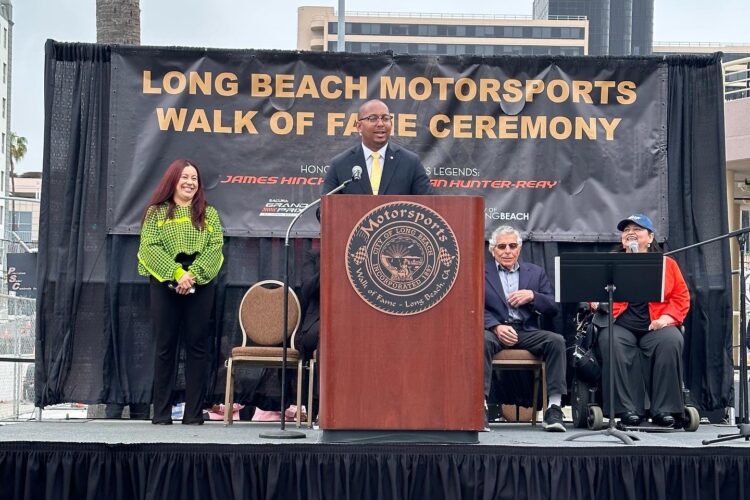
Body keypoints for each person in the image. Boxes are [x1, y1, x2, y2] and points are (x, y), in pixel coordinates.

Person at [137, 158, 224, 425]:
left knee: (197, 347)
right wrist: (177, 274)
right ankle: (161, 413)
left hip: (201, 282)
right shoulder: (156, 212)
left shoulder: (209, 213)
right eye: (184, 177)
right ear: (173, 180)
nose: (189, 182)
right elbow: (149, 248)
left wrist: (193, 275)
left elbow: (215, 247)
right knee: (165, 347)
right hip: (165, 281)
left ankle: (194, 415)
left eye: (194, 179)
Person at [596, 213, 690, 427]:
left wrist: (667, 318)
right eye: (626, 230)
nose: (631, 233)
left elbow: (681, 297)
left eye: (637, 230)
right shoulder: (611, 263)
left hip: (656, 324)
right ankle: (626, 410)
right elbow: (594, 293)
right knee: (611, 340)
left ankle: (664, 410)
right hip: (620, 323)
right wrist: (594, 301)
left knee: (671, 341)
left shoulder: (667, 264)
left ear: (650, 237)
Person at [483, 225, 567, 432]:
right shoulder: (480, 272)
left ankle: (554, 408)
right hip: (495, 331)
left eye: (512, 246)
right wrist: (495, 326)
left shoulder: (535, 273)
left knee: (556, 341)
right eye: (501, 246)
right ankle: (480, 406)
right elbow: (471, 306)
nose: (507, 251)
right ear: (492, 250)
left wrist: (533, 296)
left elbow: (553, 308)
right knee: (481, 341)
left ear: (519, 249)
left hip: (525, 331)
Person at [322, 99, 434, 196]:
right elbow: (324, 209)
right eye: (373, 118)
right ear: (359, 127)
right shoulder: (340, 164)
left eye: (385, 118)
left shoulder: (411, 162)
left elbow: (429, 205)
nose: (380, 124)